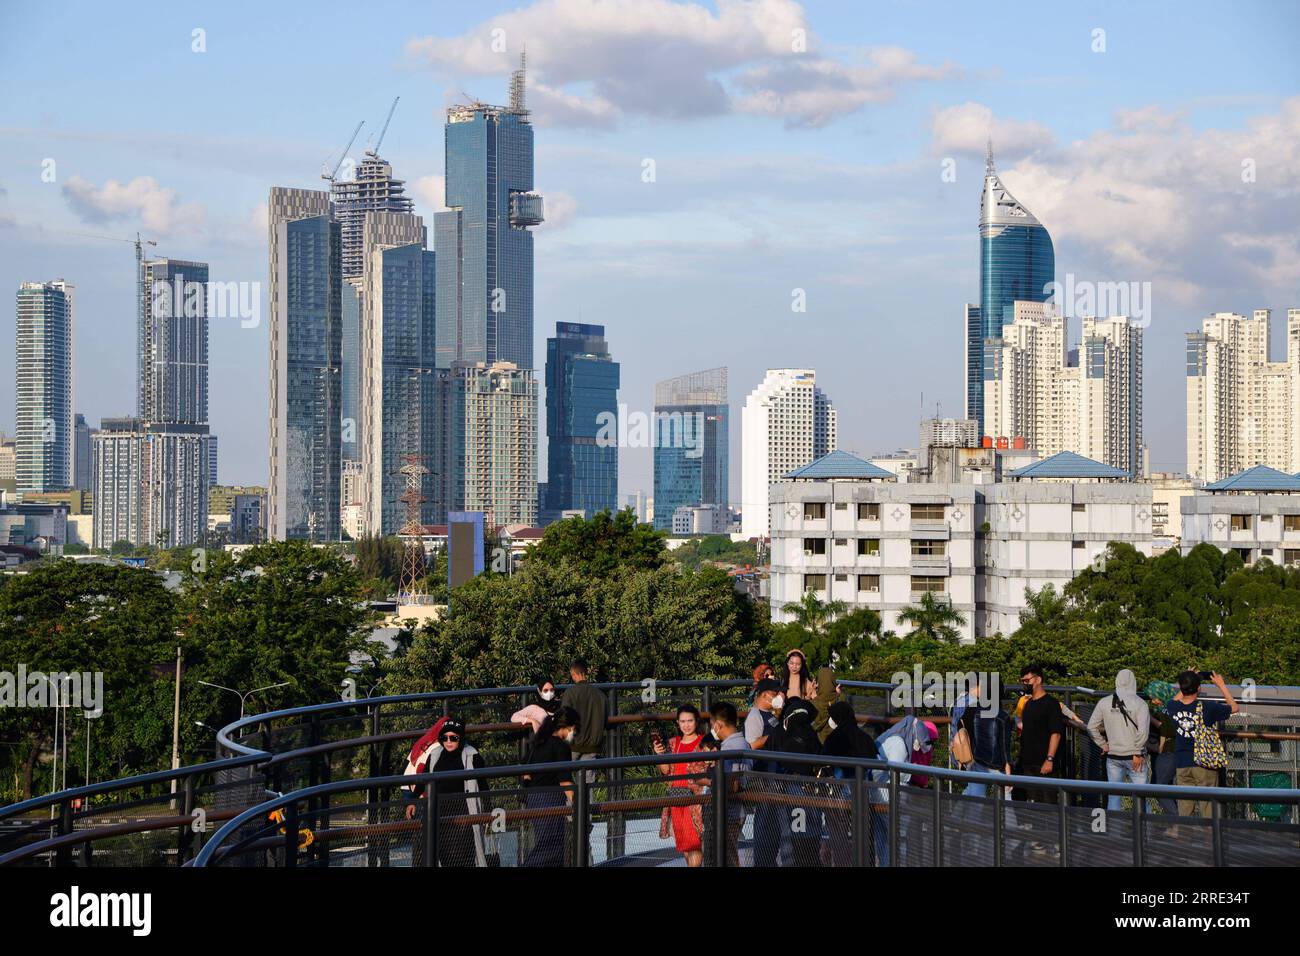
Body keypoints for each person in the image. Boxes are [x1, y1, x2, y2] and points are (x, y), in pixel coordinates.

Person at [401, 717, 493, 867]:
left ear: (461, 737)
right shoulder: (436, 754)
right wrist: (413, 800)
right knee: (442, 854)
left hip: (463, 814)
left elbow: (483, 784)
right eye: (444, 737)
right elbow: (423, 779)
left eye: (453, 738)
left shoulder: (472, 755)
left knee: (460, 856)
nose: (448, 741)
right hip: (439, 813)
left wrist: (488, 808)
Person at [759, 697, 825, 867]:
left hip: (779, 790)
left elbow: (764, 761)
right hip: (806, 791)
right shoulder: (809, 733)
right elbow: (820, 758)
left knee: (785, 838)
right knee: (801, 839)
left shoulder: (778, 732)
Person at [1166, 670, 1238, 818]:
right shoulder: (1207, 707)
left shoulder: (1172, 706)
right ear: (1199, 688)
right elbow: (1234, 707)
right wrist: (1221, 685)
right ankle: (1209, 839)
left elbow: (1177, 698)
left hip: (1182, 764)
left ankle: (1185, 837)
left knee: (1185, 810)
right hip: (1204, 762)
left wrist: (1188, 679)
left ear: (1181, 687)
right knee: (1208, 809)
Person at [521, 706, 581, 867]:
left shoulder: (539, 741)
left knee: (547, 844)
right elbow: (565, 781)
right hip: (550, 799)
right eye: (574, 729)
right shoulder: (560, 746)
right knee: (552, 847)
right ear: (568, 727)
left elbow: (525, 770)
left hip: (534, 798)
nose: (574, 734)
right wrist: (580, 805)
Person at [822, 699, 878, 865]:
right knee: (864, 835)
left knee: (839, 835)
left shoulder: (833, 738)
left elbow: (825, 762)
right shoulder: (865, 737)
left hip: (840, 794)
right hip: (864, 794)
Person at [1086, 669, 1151, 812]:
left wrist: (1103, 744)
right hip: (1135, 756)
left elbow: (1091, 727)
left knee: (1114, 797)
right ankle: (1146, 831)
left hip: (1113, 756)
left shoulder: (1104, 702)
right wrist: (1137, 751)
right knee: (1141, 797)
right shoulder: (1140, 704)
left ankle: (1114, 831)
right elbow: (1143, 732)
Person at [654, 704, 706, 866]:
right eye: (682, 721)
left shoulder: (705, 741)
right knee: (684, 844)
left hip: (696, 799)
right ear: (677, 722)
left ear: (696, 721)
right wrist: (660, 754)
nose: (686, 725)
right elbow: (665, 771)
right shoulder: (672, 743)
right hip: (677, 797)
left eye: (690, 721)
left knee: (695, 844)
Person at [743, 677, 784, 866]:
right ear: (764, 695)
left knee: (774, 822)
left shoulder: (771, 714)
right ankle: (762, 861)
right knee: (765, 820)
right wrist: (773, 737)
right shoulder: (755, 716)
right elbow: (751, 744)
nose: (778, 697)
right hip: (764, 776)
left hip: (775, 775)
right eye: (775, 694)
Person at [709, 701, 751, 866]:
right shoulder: (743, 743)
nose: (712, 729)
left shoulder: (730, 748)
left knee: (728, 855)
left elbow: (729, 783)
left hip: (730, 811)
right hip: (737, 810)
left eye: (712, 724)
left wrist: (710, 774)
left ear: (718, 725)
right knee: (729, 853)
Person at [950, 686, 1012, 799]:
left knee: (975, 802)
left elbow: (960, 726)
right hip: (996, 764)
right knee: (1005, 802)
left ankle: (954, 814)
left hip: (976, 762)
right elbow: (1004, 747)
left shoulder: (972, 710)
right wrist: (1008, 771)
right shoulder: (1002, 716)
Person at [1014, 664, 1064, 804]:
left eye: (1027, 680)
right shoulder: (1028, 704)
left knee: (1048, 803)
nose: (1025, 684)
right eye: (1022, 681)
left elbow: (1056, 733)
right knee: (1032, 803)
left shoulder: (1051, 704)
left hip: (1044, 763)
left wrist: (1049, 759)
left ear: (1038, 679)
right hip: (1028, 763)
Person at [560, 659, 606, 783]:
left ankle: (569, 802)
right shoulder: (600, 695)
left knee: (564, 779)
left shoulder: (570, 693)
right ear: (585, 672)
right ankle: (586, 803)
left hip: (573, 744)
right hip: (592, 745)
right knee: (587, 785)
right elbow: (605, 720)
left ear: (574, 674)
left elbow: (564, 719)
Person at [1145, 679, 1179, 814]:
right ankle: (1175, 820)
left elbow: (1166, 730)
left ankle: (1176, 819)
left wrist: (1150, 718)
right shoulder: (1168, 707)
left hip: (1167, 752)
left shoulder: (1167, 710)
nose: (1153, 701)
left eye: (1155, 698)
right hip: (1165, 752)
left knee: (1159, 787)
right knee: (1165, 786)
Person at [811, 666, 839, 742]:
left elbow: (813, 725)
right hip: (833, 743)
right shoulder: (838, 701)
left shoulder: (814, 702)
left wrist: (813, 691)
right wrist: (839, 694)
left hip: (817, 743)